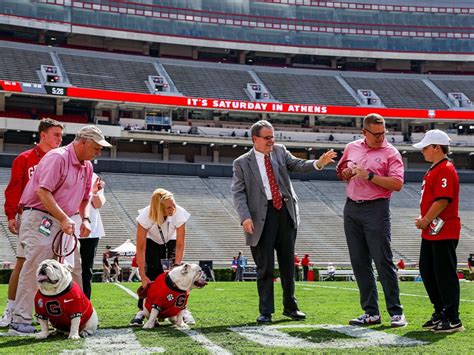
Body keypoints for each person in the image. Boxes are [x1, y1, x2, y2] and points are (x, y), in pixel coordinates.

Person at [8, 125, 111, 336]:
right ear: (82, 142)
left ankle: (76, 317)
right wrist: (64, 218)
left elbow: (85, 198)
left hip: (66, 218)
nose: (99, 153)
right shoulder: (57, 157)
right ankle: (20, 321)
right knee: (37, 266)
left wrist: (84, 218)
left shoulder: (87, 166)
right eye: (96, 147)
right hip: (41, 217)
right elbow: (43, 192)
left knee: (74, 269)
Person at [231, 119, 337, 323]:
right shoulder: (241, 163)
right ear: (255, 139)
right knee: (265, 268)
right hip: (260, 218)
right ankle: (266, 311)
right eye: (267, 137)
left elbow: (298, 165)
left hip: (285, 213)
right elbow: (238, 192)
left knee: (288, 265)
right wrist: (245, 217)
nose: (272, 141)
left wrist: (318, 163)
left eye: (273, 137)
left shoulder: (280, 151)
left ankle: (291, 307)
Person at [336, 113, 406, 328]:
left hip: (376, 208)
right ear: (363, 132)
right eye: (375, 134)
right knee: (359, 262)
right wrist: (347, 172)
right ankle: (371, 312)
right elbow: (340, 172)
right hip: (352, 208)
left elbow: (397, 184)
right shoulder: (352, 147)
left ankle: (396, 312)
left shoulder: (391, 152)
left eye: (383, 133)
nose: (380, 137)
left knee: (382, 261)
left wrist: (369, 176)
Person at [0, 118, 64, 328]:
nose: (60, 139)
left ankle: (44, 311)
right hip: (30, 215)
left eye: (61, 135)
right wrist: (10, 215)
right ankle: (11, 309)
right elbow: (13, 188)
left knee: (50, 265)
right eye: (55, 134)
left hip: (52, 218)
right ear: (42, 135)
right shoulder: (25, 158)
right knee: (23, 262)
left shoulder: (61, 158)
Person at [413, 129, 464, 333]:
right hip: (433, 230)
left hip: (444, 229)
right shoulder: (435, 168)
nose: (423, 151)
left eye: (426, 147)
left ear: (436, 147)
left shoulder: (445, 168)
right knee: (427, 270)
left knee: (444, 273)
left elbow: (443, 199)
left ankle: (452, 318)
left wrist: (425, 219)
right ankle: (440, 311)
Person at [130, 188, 192, 326]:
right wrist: (142, 274)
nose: (173, 209)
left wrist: (177, 265)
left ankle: (182, 309)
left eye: (174, 204)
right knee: (152, 274)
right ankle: (142, 311)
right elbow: (140, 247)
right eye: (169, 207)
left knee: (173, 276)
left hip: (171, 240)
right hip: (152, 241)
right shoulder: (145, 216)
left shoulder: (179, 213)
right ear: (159, 208)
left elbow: (181, 243)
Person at [78, 173, 106, 299]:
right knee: (69, 267)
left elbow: (98, 204)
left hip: (91, 229)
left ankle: (85, 303)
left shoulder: (94, 177)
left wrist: (95, 192)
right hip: (71, 225)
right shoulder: (67, 169)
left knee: (86, 269)